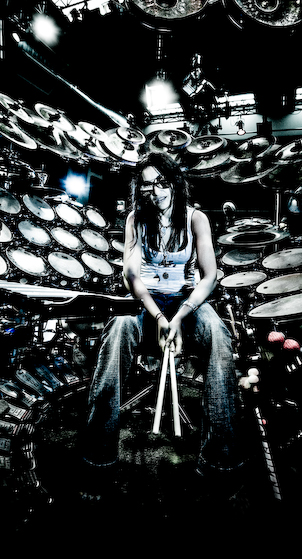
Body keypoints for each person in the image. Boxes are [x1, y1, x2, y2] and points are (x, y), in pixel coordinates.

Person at [81, 152, 245, 490]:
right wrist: (158, 317)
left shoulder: (196, 218)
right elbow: (131, 275)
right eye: (147, 185)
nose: (155, 191)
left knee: (219, 334)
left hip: (187, 302)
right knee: (117, 331)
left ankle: (220, 460)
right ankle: (98, 458)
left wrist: (180, 316)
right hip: (146, 302)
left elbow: (210, 276)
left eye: (161, 182)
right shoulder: (136, 219)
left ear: (174, 183)